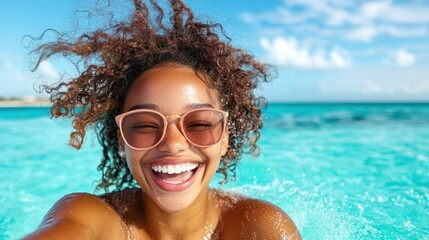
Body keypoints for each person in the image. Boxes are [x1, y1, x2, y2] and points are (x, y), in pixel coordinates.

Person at [23, 0, 301, 239]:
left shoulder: (255, 223)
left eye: (199, 124)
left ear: (225, 137)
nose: (172, 143)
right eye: (144, 125)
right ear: (122, 140)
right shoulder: (96, 217)